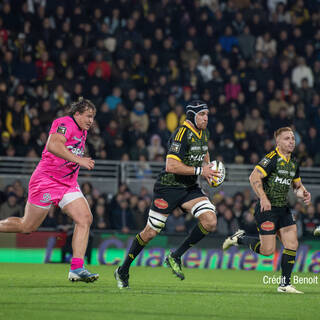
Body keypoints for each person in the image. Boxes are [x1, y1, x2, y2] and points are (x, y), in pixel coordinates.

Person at [114, 100, 220, 289]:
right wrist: (200, 171)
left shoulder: (204, 133)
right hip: (168, 187)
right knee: (150, 233)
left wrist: (209, 171)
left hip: (189, 188)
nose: (206, 118)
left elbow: (204, 154)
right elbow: (170, 166)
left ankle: (175, 256)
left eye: (207, 115)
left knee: (210, 221)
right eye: (202, 115)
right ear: (192, 116)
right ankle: (123, 269)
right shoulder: (181, 133)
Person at [0, 98, 99, 283]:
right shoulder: (64, 123)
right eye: (88, 116)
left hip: (67, 184)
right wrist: (80, 160)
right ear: (77, 114)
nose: (90, 121)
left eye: (93, 117)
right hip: (45, 181)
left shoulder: (82, 131)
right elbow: (53, 145)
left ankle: (77, 268)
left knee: (85, 219)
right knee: (27, 227)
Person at [223, 127, 311, 294]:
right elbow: (253, 177)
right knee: (267, 251)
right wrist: (263, 197)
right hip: (267, 209)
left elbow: (296, 186)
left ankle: (285, 285)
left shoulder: (293, 162)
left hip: (283, 209)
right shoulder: (272, 158)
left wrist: (303, 193)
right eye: (287, 138)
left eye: (292, 138)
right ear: (278, 142)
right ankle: (240, 238)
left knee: (292, 244)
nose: (291, 141)